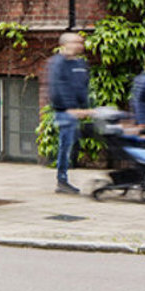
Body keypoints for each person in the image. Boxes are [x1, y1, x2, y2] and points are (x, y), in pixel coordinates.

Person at [46, 31, 92, 195]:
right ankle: (62, 180)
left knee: (72, 145)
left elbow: (83, 86)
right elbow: (58, 88)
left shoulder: (80, 63)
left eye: (81, 42)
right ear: (64, 44)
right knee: (65, 146)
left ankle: (63, 178)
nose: (80, 45)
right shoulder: (57, 63)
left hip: (77, 112)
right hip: (65, 113)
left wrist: (85, 107)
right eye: (76, 42)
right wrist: (70, 108)